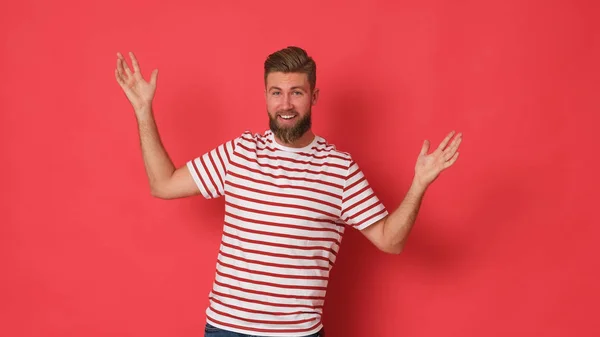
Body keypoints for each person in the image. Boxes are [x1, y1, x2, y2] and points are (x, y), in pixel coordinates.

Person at [114, 46, 462, 337]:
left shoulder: (339, 169)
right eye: (276, 92)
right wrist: (143, 110)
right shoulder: (239, 152)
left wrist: (418, 185)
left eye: (296, 92)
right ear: (266, 96)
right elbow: (163, 184)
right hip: (226, 329)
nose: (286, 104)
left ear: (314, 96)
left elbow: (391, 240)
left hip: (297, 334)